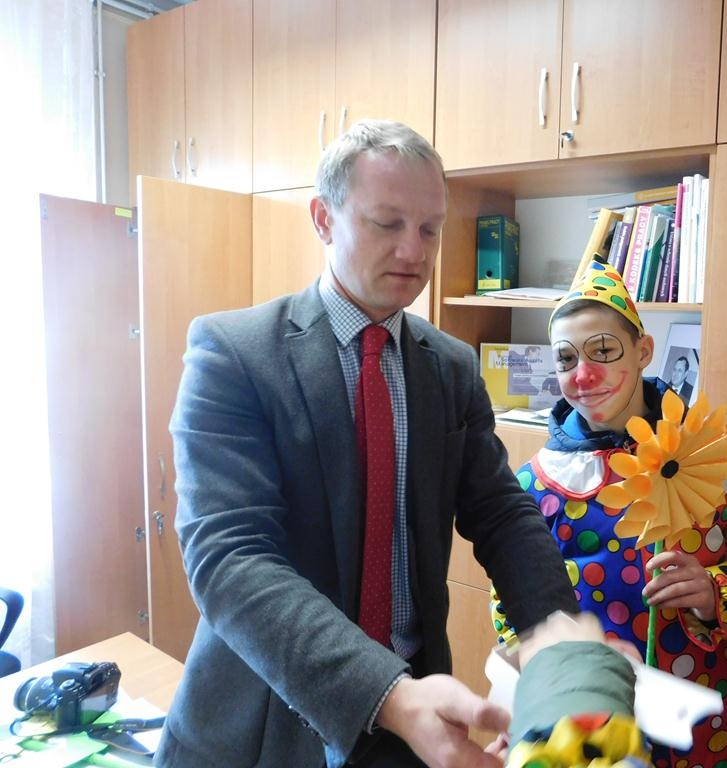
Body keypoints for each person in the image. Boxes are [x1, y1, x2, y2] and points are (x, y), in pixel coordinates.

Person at [155, 120, 582, 768]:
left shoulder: (450, 366)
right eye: (387, 223)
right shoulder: (234, 353)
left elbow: (500, 513)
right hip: (270, 719)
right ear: (323, 218)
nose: (414, 250)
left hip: (413, 711)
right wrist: (384, 694)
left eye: (430, 229)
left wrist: (555, 635)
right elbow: (230, 557)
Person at [491, 261, 727, 766]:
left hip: (711, 723)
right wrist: (536, 692)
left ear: (644, 351)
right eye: (566, 359)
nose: (583, 375)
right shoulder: (534, 485)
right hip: (591, 725)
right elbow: (510, 607)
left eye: (603, 351)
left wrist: (717, 593)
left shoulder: (721, 457)